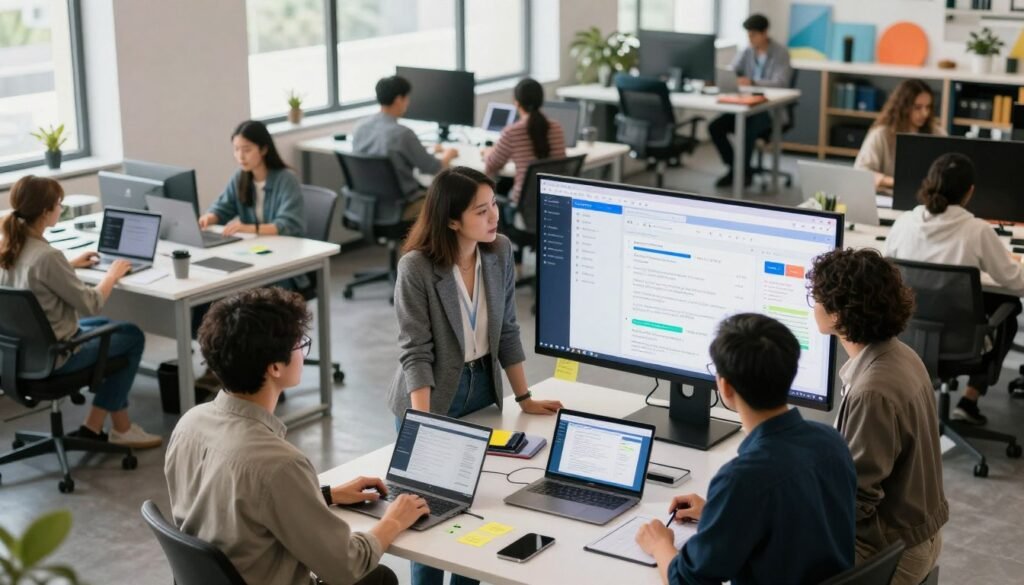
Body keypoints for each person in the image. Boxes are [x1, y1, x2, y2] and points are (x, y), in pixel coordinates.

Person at [166, 287, 427, 585]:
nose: (304, 352)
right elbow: (346, 567)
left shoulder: (188, 426)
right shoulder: (279, 464)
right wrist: (393, 520)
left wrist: (324, 495)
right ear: (275, 367)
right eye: (300, 344)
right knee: (378, 578)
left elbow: (234, 509)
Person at [387, 167, 563, 585]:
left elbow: (506, 330)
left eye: (494, 206)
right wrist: (424, 426)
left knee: (476, 514)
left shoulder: (498, 251)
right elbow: (416, 352)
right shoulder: (416, 267)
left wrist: (524, 398)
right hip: (428, 397)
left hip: (481, 390)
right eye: (481, 211)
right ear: (451, 219)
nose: (494, 217)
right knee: (427, 519)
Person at [635, 313, 856, 585]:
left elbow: (687, 581)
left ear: (725, 387)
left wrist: (660, 544)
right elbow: (797, 521)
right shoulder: (832, 443)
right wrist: (720, 514)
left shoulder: (741, 479)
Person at [808, 249, 948, 585]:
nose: (812, 303)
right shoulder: (901, 354)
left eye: (817, 297)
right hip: (917, 533)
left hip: (890, 550)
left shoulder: (872, 391)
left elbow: (854, 502)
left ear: (839, 316)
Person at [0, 176, 161, 448]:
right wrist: (112, 274)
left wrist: (70, 265)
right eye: (59, 204)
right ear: (45, 212)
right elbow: (91, 302)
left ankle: (96, 425)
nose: (60, 209)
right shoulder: (48, 257)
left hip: (18, 355)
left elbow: (33, 279)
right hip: (57, 356)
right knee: (131, 336)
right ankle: (119, 429)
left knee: (109, 326)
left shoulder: (8, 247)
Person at [886, 153, 1024, 424]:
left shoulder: (904, 223)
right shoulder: (977, 231)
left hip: (907, 334)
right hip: (961, 344)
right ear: (969, 192)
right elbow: (1016, 281)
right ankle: (970, 399)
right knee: (1008, 308)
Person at [353, 75, 460, 220]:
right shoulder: (403, 134)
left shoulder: (360, 127)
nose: (408, 103)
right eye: (407, 98)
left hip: (368, 205)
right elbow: (433, 168)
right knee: (456, 203)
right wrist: (448, 154)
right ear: (399, 100)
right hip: (403, 206)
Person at [708, 13, 792, 188]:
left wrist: (753, 82)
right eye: (748, 35)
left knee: (746, 128)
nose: (750, 38)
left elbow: (781, 82)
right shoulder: (747, 51)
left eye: (753, 35)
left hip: (768, 110)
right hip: (745, 106)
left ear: (764, 33)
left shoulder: (780, 53)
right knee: (715, 127)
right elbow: (733, 71)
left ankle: (740, 173)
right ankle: (737, 169)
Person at [198, 119, 305, 237]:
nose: (240, 156)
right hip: (255, 248)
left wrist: (248, 229)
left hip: (285, 248)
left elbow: (289, 225)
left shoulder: (286, 180)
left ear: (263, 149)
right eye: (236, 149)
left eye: (247, 150)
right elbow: (223, 208)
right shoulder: (240, 178)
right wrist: (209, 217)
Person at [482, 77, 566, 203]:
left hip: (525, 206)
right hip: (555, 202)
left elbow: (491, 166)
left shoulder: (512, 132)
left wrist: (487, 152)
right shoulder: (556, 127)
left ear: (516, 103)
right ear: (541, 101)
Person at [854, 79, 944, 193]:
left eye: (928, 107)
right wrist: (893, 182)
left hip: (928, 200)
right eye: (917, 107)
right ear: (903, 107)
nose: (924, 113)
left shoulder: (937, 132)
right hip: (888, 197)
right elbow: (861, 171)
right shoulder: (881, 134)